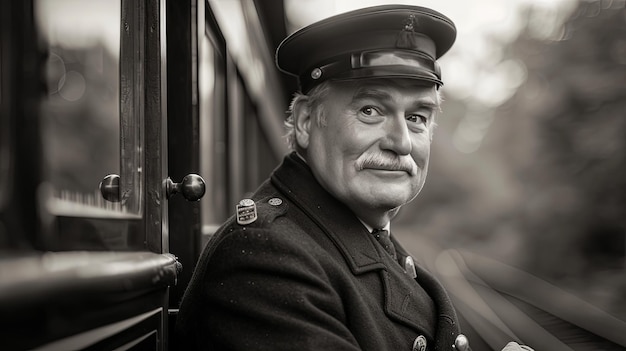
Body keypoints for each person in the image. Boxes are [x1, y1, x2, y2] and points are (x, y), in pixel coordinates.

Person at [177, 5, 533, 351]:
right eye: (370, 110)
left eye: (418, 117)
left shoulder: (349, 236)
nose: (402, 142)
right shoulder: (265, 260)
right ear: (305, 121)